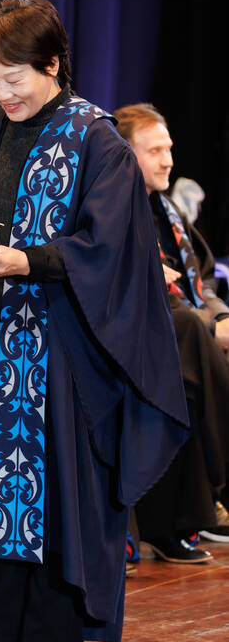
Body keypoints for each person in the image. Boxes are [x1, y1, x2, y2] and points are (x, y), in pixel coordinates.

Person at [0, 0, 189, 642]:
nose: (0, 95)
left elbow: (109, 247)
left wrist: (27, 262)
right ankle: (1, 637)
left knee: (54, 497)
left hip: (61, 350)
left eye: (13, 79)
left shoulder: (96, 141)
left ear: (53, 64)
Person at [115, 102, 229, 553]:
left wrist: (219, 314)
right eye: (155, 150)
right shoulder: (113, 213)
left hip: (183, 333)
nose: (169, 161)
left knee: (192, 361)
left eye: (170, 149)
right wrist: (208, 324)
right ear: (125, 155)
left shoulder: (166, 211)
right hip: (135, 338)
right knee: (189, 334)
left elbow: (202, 280)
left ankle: (184, 517)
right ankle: (215, 492)